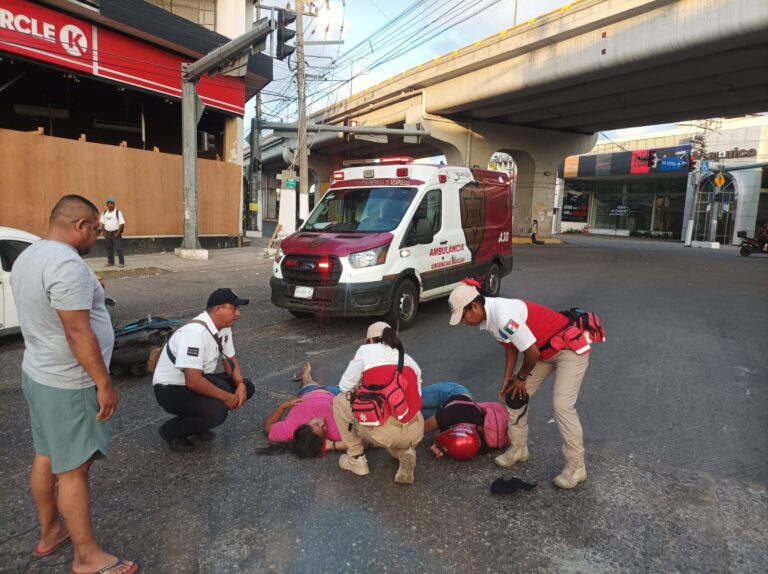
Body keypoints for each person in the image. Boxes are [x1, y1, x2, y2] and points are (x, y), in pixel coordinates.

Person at [10, 195, 138, 574]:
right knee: (74, 470)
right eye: (97, 228)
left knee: (47, 455)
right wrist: (103, 382)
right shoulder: (66, 264)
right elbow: (77, 329)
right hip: (70, 381)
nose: (99, 235)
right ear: (80, 225)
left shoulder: (30, 255)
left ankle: (51, 532)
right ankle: (86, 557)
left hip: (38, 372)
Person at [448, 280, 591, 489]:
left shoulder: (503, 314)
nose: (463, 322)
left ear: (475, 307)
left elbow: (531, 352)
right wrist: (508, 378)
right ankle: (519, 448)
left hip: (568, 350)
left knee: (562, 406)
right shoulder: (489, 317)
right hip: (543, 350)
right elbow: (511, 346)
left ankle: (577, 467)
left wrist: (521, 378)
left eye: (463, 316)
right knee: (513, 395)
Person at [153, 288, 255, 452]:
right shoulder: (194, 334)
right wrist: (226, 397)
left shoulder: (224, 327)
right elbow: (193, 381)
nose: (238, 313)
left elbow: (230, 359)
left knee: (247, 387)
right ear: (217, 309)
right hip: (171, 389)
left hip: (198, 380)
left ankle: (197, 422)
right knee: (218, 411)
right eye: (234, 308)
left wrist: (240, 384)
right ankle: (171, 431)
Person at [333, 322, 424, 485]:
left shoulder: (366, 351)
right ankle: (405, 452)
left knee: (339, 401)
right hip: (415, 430)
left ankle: (356, 459)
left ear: (371, 340)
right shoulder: (408, 358)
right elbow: (417, 396)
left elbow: (344, 387)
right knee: (396, 436)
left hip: (384, 432)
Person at [259, 362, 346, 458]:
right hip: (337, 394)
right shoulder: (336, 432)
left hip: (310, 392)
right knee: (355, 385)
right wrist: (331, 445)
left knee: (308, 382)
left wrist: (283, 406)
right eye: (323, 429)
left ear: (304, 425)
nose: (322, 423)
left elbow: (267, 427)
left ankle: (305, 374)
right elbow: (362, 442)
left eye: (316, 424)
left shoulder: (290, 430)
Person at [99, 198, 126, 268]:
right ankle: (110, 262)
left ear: (114, 204)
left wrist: (118, 232)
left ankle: (121, 263)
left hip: (116, 232)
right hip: (107, 232)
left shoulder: (118, 212)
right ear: (106, 205)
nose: (110, 205)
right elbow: (102, 223)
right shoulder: (105, 212)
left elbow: (121, 223)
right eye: (108, 203)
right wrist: (103, 232)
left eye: (111, 203)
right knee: (109, 248)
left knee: (119, 248)